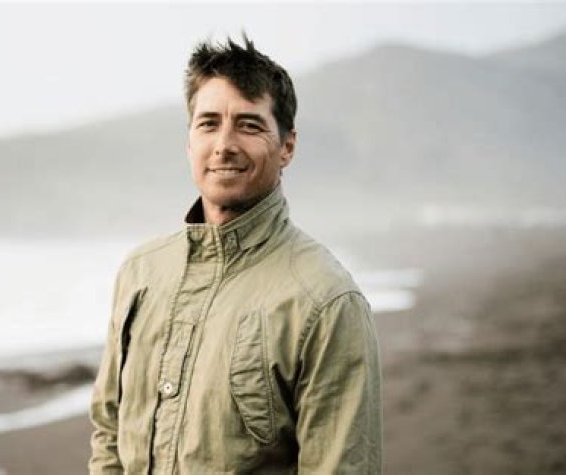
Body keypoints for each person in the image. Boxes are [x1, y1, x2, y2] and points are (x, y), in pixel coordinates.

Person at [89, 35, 382, 474]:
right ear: (189, 141)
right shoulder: (141, 272)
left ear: (287, 146)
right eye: (208, 124)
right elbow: (108, 431)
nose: (224, 144)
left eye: (249, 125)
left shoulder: (326, 300)